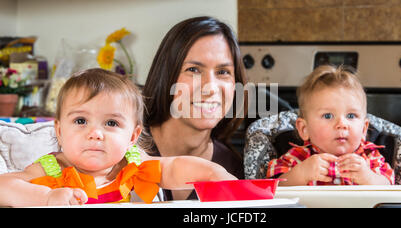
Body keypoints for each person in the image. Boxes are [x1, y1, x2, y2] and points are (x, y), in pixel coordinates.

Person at [0, 68, 236, 207]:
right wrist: (47, 197)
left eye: (111, 123)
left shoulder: (132, 163)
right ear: (60, 131)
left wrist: (212, 173)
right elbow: (4, 186)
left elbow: (173, 167)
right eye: (81, 121)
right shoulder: (52, 170)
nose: (95, 133)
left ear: (132, 135)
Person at [140, 16, 247, 200]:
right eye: (194, 70)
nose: (210, 87)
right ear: (167, 75)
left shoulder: (232, 167)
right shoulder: (124, 146)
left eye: (223, 72)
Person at [266, 65, 395, 186]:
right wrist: (301, 174)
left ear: (363, 129)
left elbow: (390, 188)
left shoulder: (370, 158)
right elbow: (272, 188)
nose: (342, 124)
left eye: (351, 116)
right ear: (304, 129)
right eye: (328, 116)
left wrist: (369, 177)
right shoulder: (296, 158)